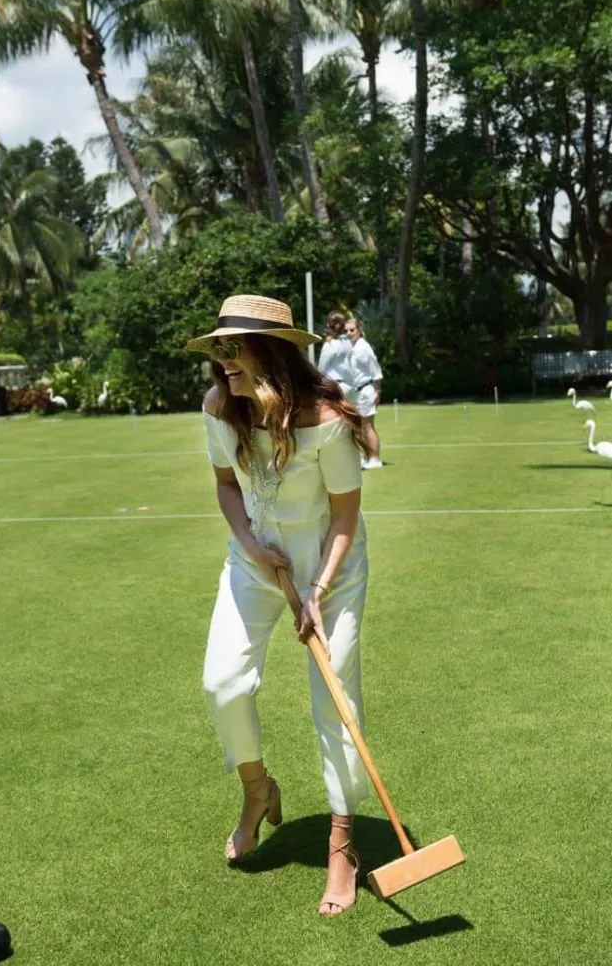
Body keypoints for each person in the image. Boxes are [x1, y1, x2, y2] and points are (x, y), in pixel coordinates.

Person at [186, 294, 372, 916]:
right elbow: (224, 485)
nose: (222, 361)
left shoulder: (324, 418)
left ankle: (342, 845)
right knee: (223, 683)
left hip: (329, 573)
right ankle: (258, 790)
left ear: (272, 353)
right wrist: (251, 548)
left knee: (335, 702)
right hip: (255, 564)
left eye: (232, 348)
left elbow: (346, 514)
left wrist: (316, 591)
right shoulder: (219, 407)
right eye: (218, 348)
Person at [345, 318, 383, 469]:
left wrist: (377, 391)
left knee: (368, 426)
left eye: (352, 330)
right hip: (356, 392)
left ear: (359, 329)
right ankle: (365, 457)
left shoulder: (364, 348)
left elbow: (376, 372)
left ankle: (375, 459)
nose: (348, 333)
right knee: (358, 427)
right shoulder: (351, 347)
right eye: (346, 330)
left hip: (367, 390)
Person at [318, 310, 356, 397]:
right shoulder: (348, 342)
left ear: (329, 325)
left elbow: (321, 368)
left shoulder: (329, 345)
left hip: (333, 388)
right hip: (349, 387)